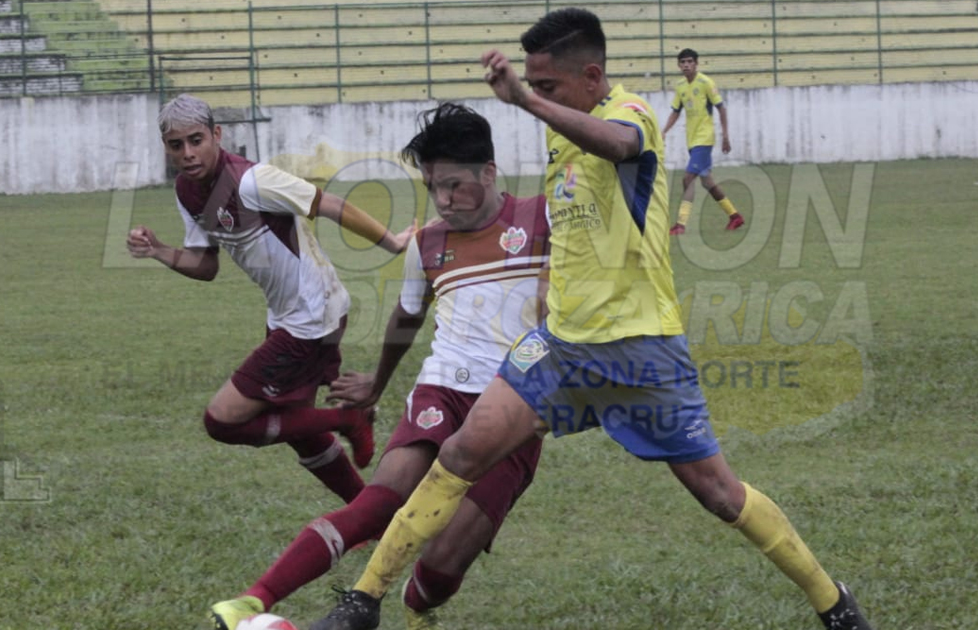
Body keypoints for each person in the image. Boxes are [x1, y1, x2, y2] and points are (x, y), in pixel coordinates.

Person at [311, 9, 872, 630]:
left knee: (719, 494)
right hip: (558, 346)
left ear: (591, 76)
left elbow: (620, 145)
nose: (539, 97)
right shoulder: (559, 130)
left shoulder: (629, 116)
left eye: (548, 86)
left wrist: (525, 101)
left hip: (640, 349)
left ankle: (833, 602)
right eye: (533, 86)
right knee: (462, 451)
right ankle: (363, 601)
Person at [208, 103, 550, 630]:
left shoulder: (543, 220)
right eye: (433, 186)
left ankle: (417, 607)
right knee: (378, 502)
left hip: (514, 407)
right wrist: (376, 383)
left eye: (455, 185)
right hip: (443, 392)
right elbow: (407, 316)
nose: (443, 200)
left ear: (489, 172)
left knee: (441, 567)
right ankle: (254, 600)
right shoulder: (430, 242)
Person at [127, 94, 415, 505]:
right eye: (177, 145)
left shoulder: (252, 181)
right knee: (300, 430)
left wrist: (392, 243)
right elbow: (206, 265)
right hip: (289, 315)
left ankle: (350, 419)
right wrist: (158, 250)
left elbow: (328, 204)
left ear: (217, 135)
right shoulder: (187, 191)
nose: (188, 154)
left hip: (312, 317)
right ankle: (370, 514)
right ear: (166, 148)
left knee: (221, 420)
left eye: (196, 140)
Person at [662, 48, 744, 235]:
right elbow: (676, 111)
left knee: (687, 178)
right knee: (708, 183)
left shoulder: (706, 83)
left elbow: (721, 108)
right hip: (692, 141)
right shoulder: (681, 86)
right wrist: (664, 130)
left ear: (696, 64)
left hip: (705, 139)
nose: (686, 65)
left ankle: (680, 224)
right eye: (683, 62)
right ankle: (734, 216)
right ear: (679, 65)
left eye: (690, 62)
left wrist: (725, 136)